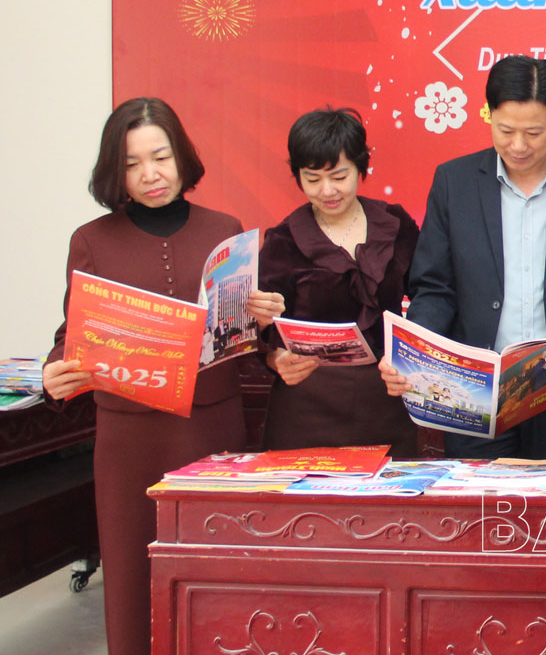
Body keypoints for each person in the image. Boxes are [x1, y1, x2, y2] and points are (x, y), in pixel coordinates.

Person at [42, 98, 247, 655]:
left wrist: (263, 319)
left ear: (182, 157)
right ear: (115, 171)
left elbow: (245, 335)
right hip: (129, 440)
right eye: (132, 164)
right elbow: (72, 332)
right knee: (132, 577)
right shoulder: (92, 239)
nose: (150, 174)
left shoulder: (226, 230)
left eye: (160, 157)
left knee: (219, 576)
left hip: (212, 432)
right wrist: (56, 370)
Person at [380, 56, 546, 459]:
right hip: (473, 394)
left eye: (534, 132)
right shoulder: (454, 182)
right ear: (488, 114)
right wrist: (412, 351)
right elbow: (434, 286)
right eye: (505, 130)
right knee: (479, 500)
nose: (518, 145)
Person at [247, 107, 420, 456]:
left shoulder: (396, 225)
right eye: (312, 179)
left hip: (385, 397)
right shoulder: (283, 241)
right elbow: (261, 335)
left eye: (339, 176)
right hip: (307, 403)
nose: (327, 191)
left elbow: (430, 297)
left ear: (360, 167)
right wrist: (271, 349)